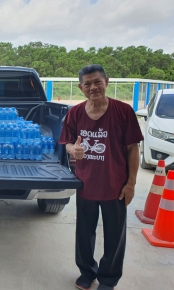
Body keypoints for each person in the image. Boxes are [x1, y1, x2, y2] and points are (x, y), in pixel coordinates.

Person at [59, 64, 143, 290]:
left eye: (97, 82)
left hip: (115, 186)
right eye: (87, 84)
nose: (93, 87)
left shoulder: (123, 111)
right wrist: (72, 150)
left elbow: (133, 149)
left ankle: (108, 279)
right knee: (84, 233)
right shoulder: (75, 113)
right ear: (81, 88)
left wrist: (131, 183)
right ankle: (87, 273)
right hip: (85, 184)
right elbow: (67, 142)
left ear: (106, 82)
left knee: (115, 236)